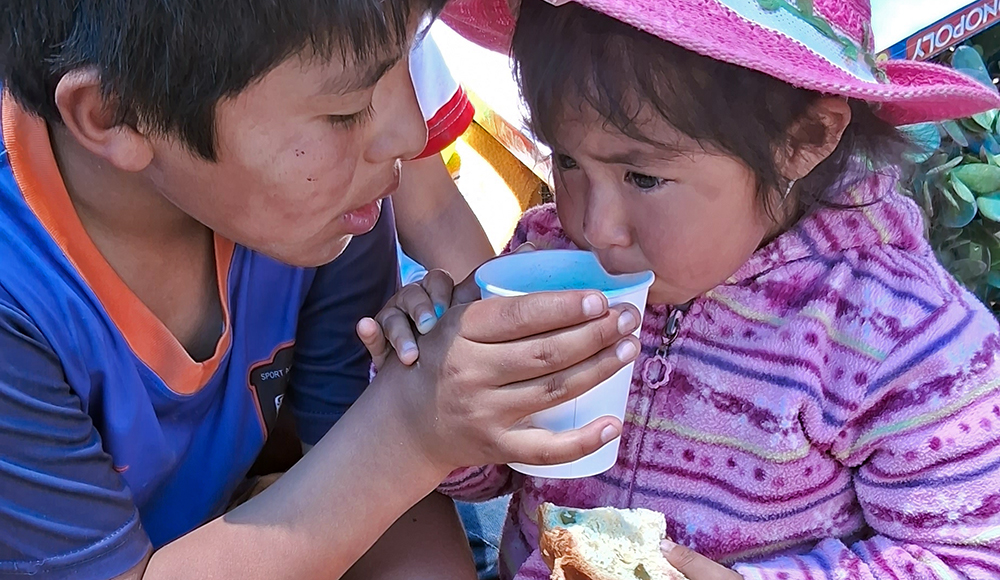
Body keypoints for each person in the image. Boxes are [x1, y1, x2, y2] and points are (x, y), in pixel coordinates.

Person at [0, 1, 643, 578]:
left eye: (406, 66)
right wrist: (413, 430)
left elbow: (356, 478)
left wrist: (407, 421)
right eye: (346, 109)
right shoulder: (17, 301)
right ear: (116, 114)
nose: (409, 136)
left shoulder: (319, 212)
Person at [367, 0, 1000, 578]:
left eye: (642, 177)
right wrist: (435, 392)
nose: (594, 225)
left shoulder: (906, 338)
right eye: (567, 162)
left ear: (803, 141)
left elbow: (969, 557)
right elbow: (497, 471)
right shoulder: (552, 255)